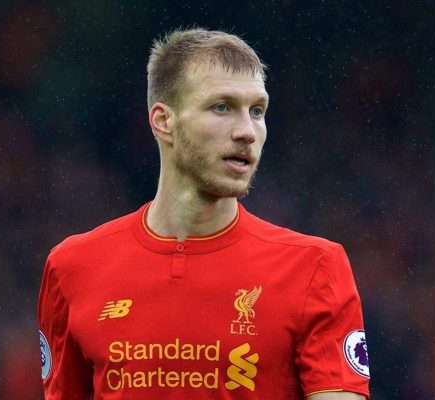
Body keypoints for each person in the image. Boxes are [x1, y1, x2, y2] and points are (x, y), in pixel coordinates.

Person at [38, 28, 370, 400]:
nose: (247, 131)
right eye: (222, 107)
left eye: (257, 111)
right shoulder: (71, 268)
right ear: (164, 121)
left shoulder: (314, 267)